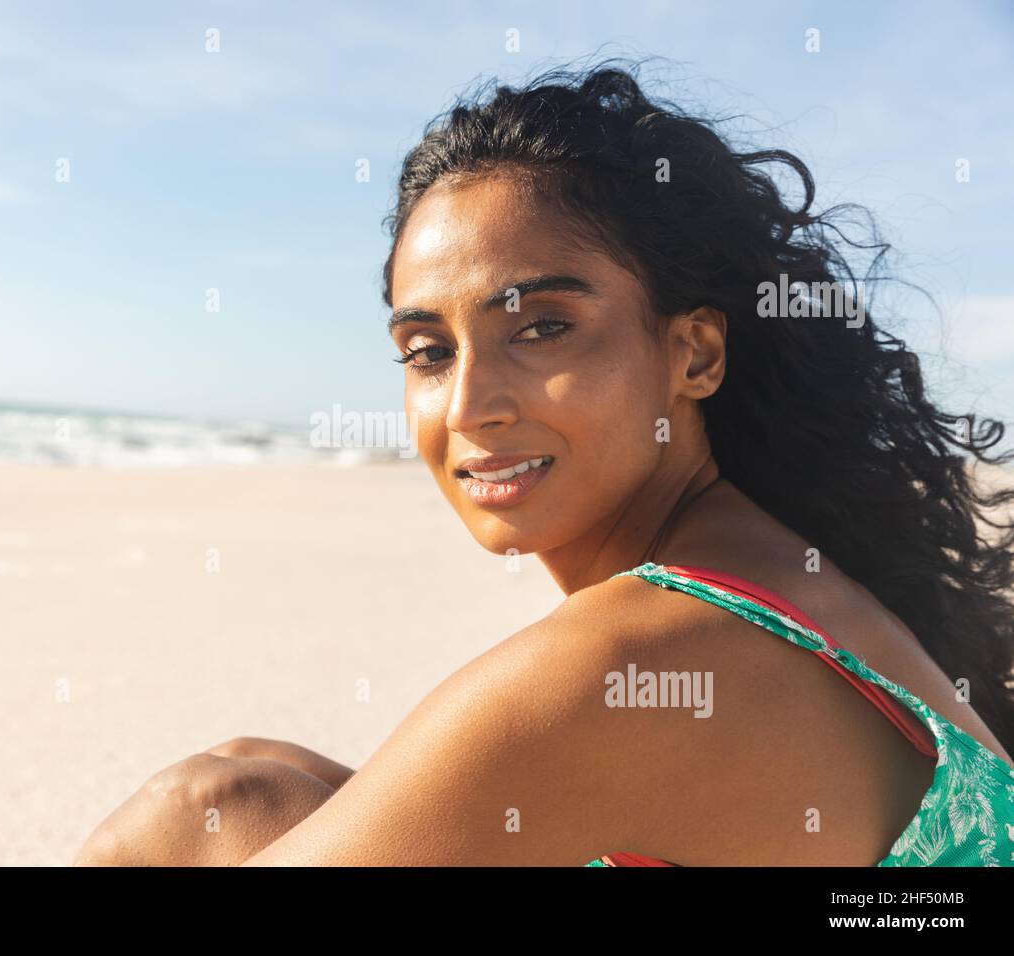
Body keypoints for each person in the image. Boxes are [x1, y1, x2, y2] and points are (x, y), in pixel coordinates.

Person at [75, 59, 1014, 867]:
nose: (473, 404)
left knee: (208, 810)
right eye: (429, 351)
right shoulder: (768, 570)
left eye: (543, 328)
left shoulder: (625, 665)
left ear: (693, 354)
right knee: (265, 772)